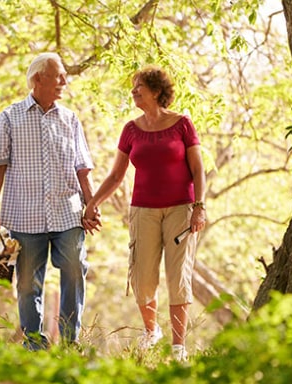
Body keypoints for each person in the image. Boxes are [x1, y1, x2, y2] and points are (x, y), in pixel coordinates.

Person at [83, 65, 206, 362]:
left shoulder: (182, 124)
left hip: (181, 211)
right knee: (142, 277)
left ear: (156, 90)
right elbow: (116, 175)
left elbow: (198, 168)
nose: (133, 91)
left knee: (178, 278)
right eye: (133, 86)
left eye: (139, 86)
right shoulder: (130, 129)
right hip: (143, 212)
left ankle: (179, 349)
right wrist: (93, 202)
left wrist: (199, 207)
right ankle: (152, 333)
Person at [0, 52, 97, 351]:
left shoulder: (70, 119)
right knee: (27, 284)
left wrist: (92, 204)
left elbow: (82, 169)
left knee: (75, 266)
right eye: (58, 76)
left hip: (67, 212)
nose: (64, 81)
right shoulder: (9, 117)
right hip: (24, 215)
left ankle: (70, 341)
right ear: (38, 79)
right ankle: (34, 344)